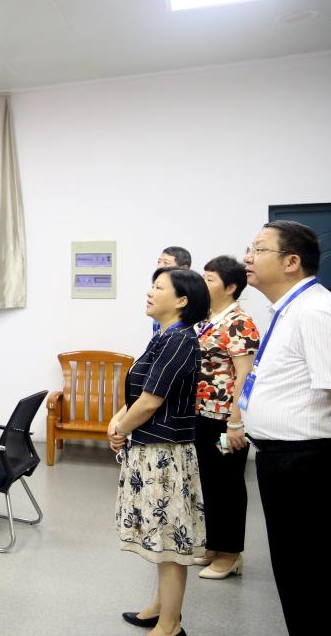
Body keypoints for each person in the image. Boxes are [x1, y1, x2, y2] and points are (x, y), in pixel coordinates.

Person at [240, 220, 331, 634]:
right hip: (282, 460)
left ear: (291, 262)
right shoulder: (289, 309)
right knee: (295, 572)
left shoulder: (315, 311)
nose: (247, 257)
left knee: (311, 576)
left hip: (308, 464)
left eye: (259, 249)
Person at [110, 267, 209, 636]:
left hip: (164, 454)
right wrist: (119, 421)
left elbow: (151, 401)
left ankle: (169, 625)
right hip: (150, 448)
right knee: (160, 537)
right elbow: (141, 392)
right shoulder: (164, 336)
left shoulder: (179, 340)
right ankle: (160, 608)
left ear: (181, 300)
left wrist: (121, 428)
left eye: (159, 287)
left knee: (169, 541)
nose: (150, 292)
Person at [193, 256, 260, 579]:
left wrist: (236, 422)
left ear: (231, 287)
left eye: (210, 279)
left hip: (225, 420)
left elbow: (245, 376)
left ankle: (231, 554)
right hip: (202, 415)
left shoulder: (239, 322)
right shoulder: (206, 318)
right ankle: (214, 545)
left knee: (227, 482)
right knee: (208, 480)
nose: (203, 283)